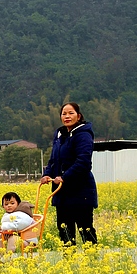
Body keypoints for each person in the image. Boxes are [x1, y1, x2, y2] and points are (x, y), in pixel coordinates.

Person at [40, 102, 98, 245]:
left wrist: (64, 177)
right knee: (65, 231)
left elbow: (83, 162)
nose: (67, 116)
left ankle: (92, 257)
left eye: (71, 113)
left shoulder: (83, 135)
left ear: (78, 116)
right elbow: (53, 159)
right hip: (61, 192)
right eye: (64, 114)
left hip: (81, 191)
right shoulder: (59, 134)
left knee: (86, 230)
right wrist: (47, 174)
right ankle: (68, 257)